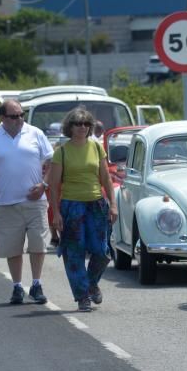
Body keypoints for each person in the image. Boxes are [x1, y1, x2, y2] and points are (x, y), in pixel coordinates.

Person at [0, 99, 54, 305]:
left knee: (38, 244)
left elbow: (52, 161)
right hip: (6, 202)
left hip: (35, 200)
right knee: (13, 248)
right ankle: (17, 286)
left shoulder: (35, 133)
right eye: (14, 116)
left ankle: (36, 284)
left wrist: (44, 185)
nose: (19, 119)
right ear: (3, 118)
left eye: (21, 114)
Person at [47, 107, 117, 312]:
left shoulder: (96, 148)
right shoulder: (61, 152)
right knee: (74, 253)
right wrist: (56, 213)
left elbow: (106, 178)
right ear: (70, 127)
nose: (83, 127)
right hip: (72, 206)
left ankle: (91, 282)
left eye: (86, 124)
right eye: (78, 124)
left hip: (96, 204)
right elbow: (53, 185)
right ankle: (82, 296)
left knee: (103, 252)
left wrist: (112, 203)